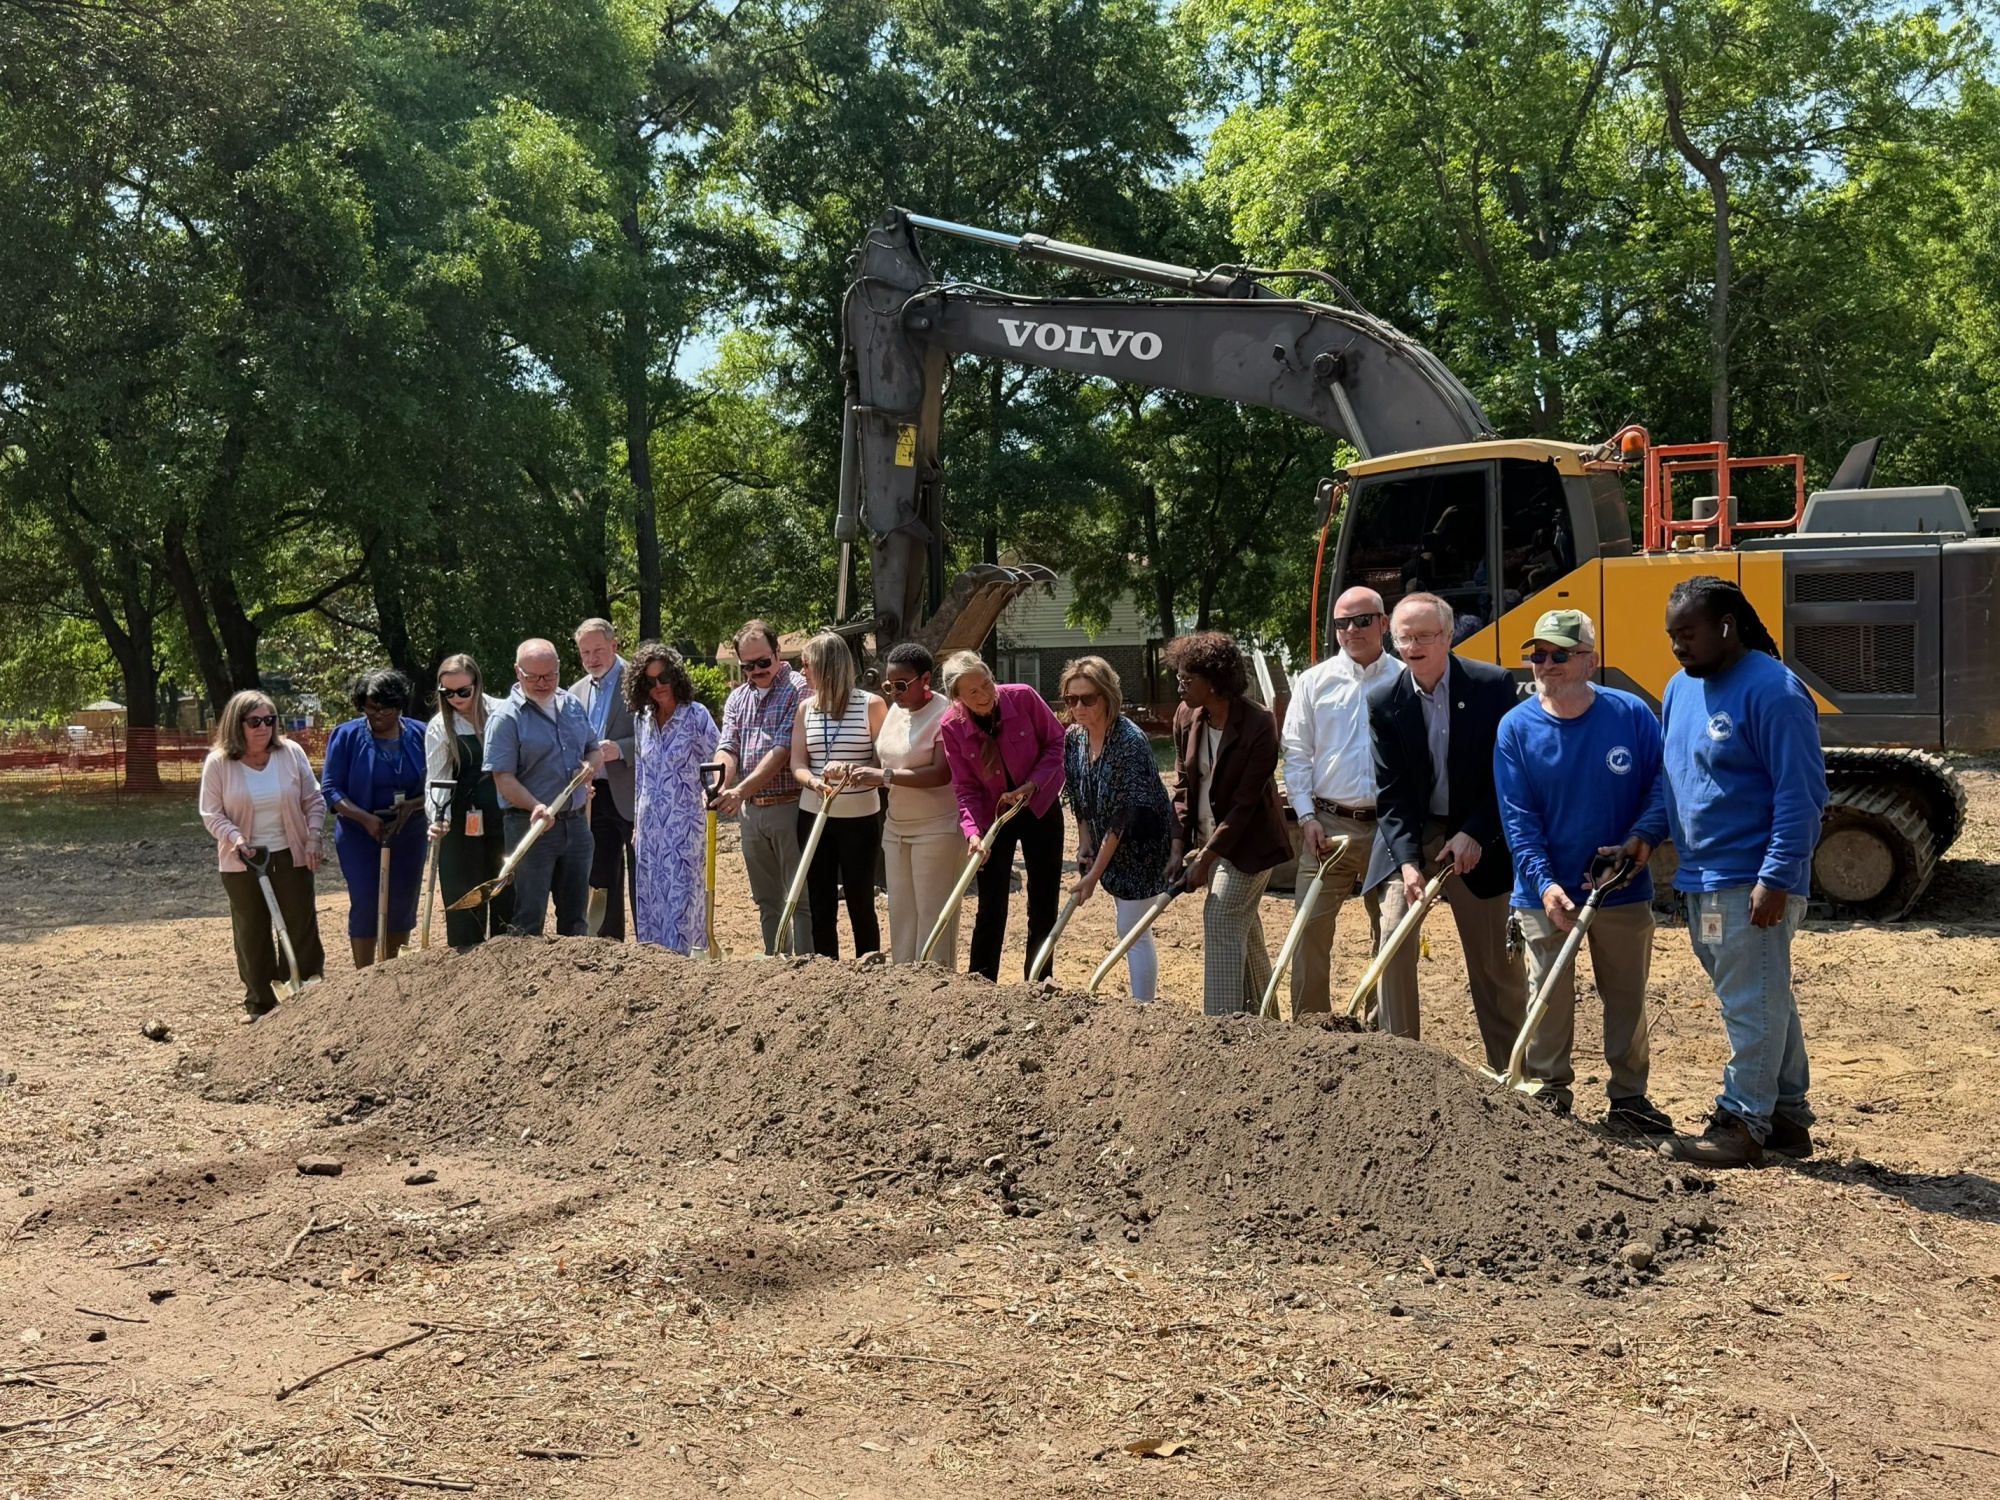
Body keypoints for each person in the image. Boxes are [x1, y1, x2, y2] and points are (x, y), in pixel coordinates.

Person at [1658, 576, 1828, 1167]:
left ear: (1727, 626)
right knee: (1762, 996)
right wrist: (1644, 835)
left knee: (1750, 1003)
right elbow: (1672, 777)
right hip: (1701, 880)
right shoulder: (1679, 689)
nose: (1677, 646)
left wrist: (1776, 876)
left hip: (1750, 881)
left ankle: (1742, 1123)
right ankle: (1785, 1117)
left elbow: (1802, 793)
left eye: (1688, 633)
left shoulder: (1774, 690)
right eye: (1671, 635)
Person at [1493, 609, 1674, 1134]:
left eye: (1559, 654)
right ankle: (1549, 1094)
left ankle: (1629, 1098)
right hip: (1544, 892)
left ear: (1590, 661)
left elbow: (1661, 785)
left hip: (1621, 887)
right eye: (1537, 654)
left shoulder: (1630, 714)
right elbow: (1518, 818)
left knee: (1627, 996)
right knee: (1546, 995)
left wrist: (1643, 836)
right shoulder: (1515, 728)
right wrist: (1545, 884)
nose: (1544, 664)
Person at [1363, 593, 1524, 1067]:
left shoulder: (1492, 685)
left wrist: (1475, 832)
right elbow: (1391, 793)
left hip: (1478, 829)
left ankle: (1512, 1073)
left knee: (1495, 961)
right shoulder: (1384, 701)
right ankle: (1402, 1067)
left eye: (1425, 636)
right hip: (1414, 832)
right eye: (1404, 638)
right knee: (1393, 934)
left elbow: (1508, 776)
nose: (1413, 647)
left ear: (1449, 636)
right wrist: (1407, 863)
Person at [1279, 585, 1398, 1018]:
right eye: (1342, 623)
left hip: (1389, 828)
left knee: (1391, 932)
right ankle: (1312, 1031)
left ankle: (1384, 1031)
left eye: (1362, 620)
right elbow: (1296, 753)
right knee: (1308, 929)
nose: (1351, 630)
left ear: (1383, 623)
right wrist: (1306, 816)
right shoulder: (1313, 682)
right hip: (1327, 828)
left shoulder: (1405, 679)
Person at [1168, 633, 1291, 1014]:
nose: (1179, 687)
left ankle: (1219, 1028)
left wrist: (1204, 861)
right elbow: (1183, 786)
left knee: (1221, 916)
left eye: (1187, 680)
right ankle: (1267, 1023)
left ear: (1214, 680)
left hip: (1250, 844)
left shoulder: (1259, 724)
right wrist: (1177, 848)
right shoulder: (1185, 716)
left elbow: (1244, 806)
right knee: (1244, 930)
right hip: (1210, 839)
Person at [937, 651, 1067, 981]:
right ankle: (981, 982)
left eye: (986, 684)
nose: (985, 695)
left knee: (1043, 901)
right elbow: (965, 786)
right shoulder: (951, 725)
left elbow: (1057, 743)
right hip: (994, 818)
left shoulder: (1023, 697)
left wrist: (1033, 784)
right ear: (957, 698)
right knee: (991, 903)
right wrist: (973, 833)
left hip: (1039, 806)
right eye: (973, 692)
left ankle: (1039, 982)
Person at [199, 690, 327, 1019]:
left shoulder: (290, 753)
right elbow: (211, 813)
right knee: (252, 932)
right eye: (254, 721)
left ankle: (304, 993)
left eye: (269, 720)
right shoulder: (219, 763)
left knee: (299, 926)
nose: (264, 727)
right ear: (237, 724)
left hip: (290, 855)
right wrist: (236, 838)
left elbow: (313, 799)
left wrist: (314, 837)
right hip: (243, 860)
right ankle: (261, 1004)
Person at [1060, 655, 1177, 999]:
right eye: (1070, 699)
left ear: (1107, 696)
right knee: (1130, 926)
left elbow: (1123, 818)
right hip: (1106, 842)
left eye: (1087, 699)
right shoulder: (1074, 738)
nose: (1078, 707)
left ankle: (1143, 1008)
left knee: (1131, 931)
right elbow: (1078, 793)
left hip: (1142, 845)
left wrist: (1093, 875)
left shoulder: (1129, 741)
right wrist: (1084, 843)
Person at [847, 642, 962, 965]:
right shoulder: (895, 711)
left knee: (933, 916)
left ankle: (935, 985)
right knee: (901, 915)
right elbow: (883, 760)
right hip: (896, 828)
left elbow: (940, 773)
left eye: (901, 685)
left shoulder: (946, 713)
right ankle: (903, 985)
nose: (894, 693)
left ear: (925, 678)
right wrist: (852, 770)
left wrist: (883, 776)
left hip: (937, 829)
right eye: (889, 686)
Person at [484, 638, 602, 937]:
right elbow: (503, 777)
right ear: (517, 671)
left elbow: (594, 749)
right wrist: (534, 805)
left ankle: (574, 968)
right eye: (533, 677)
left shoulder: (571, 705)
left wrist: (590, 766)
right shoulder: (505, 718)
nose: (542, 683)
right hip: (529, 826)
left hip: (576, 825)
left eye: (550, 675)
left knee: (576, 917)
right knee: (528, 917)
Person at [713, 621, 812, 954]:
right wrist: (719, 781)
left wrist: (739, 790)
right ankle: (775, 962)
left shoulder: (799, 689)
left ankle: (807, 968)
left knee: (800, 897)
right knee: (766, 899)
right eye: (748, 665)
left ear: (778, 653)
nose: (756, 670)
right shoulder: (737, 697)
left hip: (791, 806)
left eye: (763, 662)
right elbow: (728, 746)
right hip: (752, 812)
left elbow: (783, 750)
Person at [321, 669, 429, 967]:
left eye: (386, 709)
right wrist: (364, 818)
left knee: (402, 900)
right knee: (366, 899)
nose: (377, 715)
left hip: (408, 830)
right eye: (370, 708)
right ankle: (365, 975)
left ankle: (393, 968)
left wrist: (413, 805)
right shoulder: (346, 735)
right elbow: (330, 788)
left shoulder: (422, 733)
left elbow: (437, 783)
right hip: (359, 832)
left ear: (399, 705)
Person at [788, 632, 886, 958]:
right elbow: (798, 763)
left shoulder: (872, 705)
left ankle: (869, 968)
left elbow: (882, 762)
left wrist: (852, 770)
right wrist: (812, 782)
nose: (802, 671)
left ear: (826, 666)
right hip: (814, 816)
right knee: (820, 903)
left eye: (806, 664)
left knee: (861, 902)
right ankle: (825, 972)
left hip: (860, 818)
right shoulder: (805, 708)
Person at [628, 642, 720, 953]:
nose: (659, 686)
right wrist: (637, 825)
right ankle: (654, 963)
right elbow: (640, 774)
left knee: (682, 899)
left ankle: (686, 962)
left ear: (676, 676)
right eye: (650, 681)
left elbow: (718, 760)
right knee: (650, 896)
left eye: (664, 677)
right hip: (649, 827)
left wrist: (714, 797)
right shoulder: (641, 719)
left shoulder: (695, 715)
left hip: (685, 826)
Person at [424, 654, 512, 948]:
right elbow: (438, 779)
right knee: (464, 900)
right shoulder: (440, 726)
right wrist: (439, 818)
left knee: (507, 893)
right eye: (447, 693)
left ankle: (509, 956)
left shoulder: (503, 712)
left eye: (463, 691)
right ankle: (467, 961)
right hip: (461, 823)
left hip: (504, 816)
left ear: (477, 684)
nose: (455, 699)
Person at [571, 618, 637, 940]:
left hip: (635, 794)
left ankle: (651, 947)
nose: (592, 658)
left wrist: (621, 749)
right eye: (585, 652)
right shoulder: (575, 692)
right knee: (600, 875)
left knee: (641, 875)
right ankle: (608, 947)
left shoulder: (639, 682)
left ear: (614, 645)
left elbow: (661, 736)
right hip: (593, 797)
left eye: (598, 650)